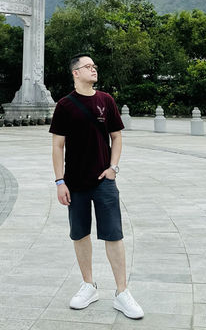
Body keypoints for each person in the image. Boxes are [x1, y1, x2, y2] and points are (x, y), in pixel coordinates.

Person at [49, 53, 144, 320]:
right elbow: (57, 145)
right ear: (75, 73)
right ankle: (88, 285)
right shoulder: (65, 105)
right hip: (75, 183)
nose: (93, 69)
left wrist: (113, 168)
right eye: (88, 66)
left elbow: (117, 137)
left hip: (104, 181)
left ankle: (122, 292)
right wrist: (59, 181)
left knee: (113, 234)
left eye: (94, 66)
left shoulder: (106, 101)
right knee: (79, 234)